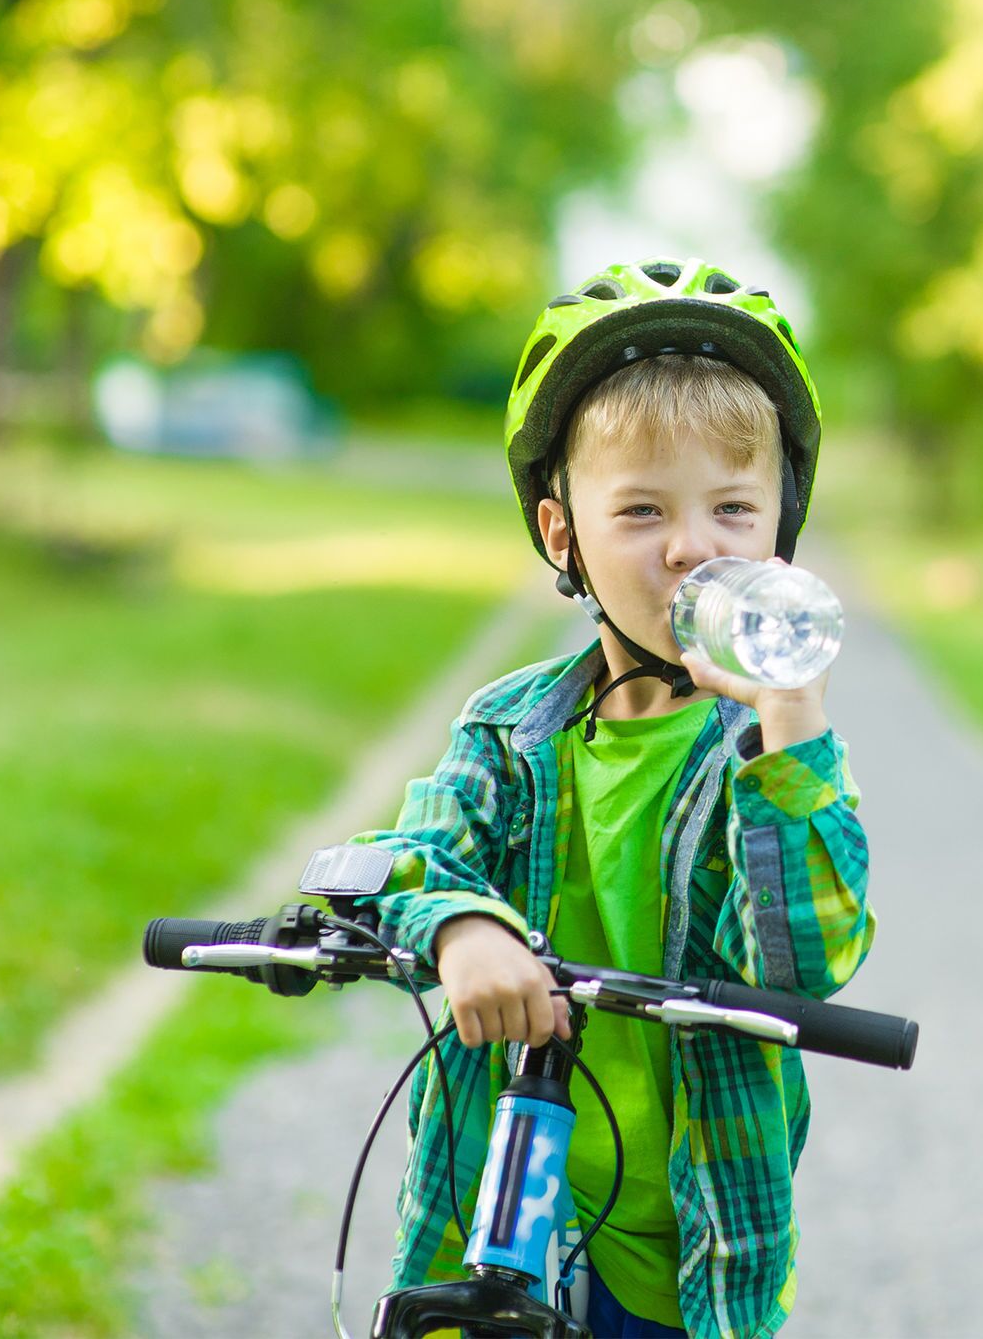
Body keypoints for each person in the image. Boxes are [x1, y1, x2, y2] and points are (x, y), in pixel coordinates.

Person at [352, 258, 874, 1339]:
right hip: (501, 1209)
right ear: (562, 535)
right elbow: (416, 854)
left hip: (690, 1246)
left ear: (780, 530)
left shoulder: (773, 753)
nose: (691, 546)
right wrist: (459, 928)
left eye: (732, 507)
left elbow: (803, 962)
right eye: (640, 509)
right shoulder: (510, 727)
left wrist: (789, 723)